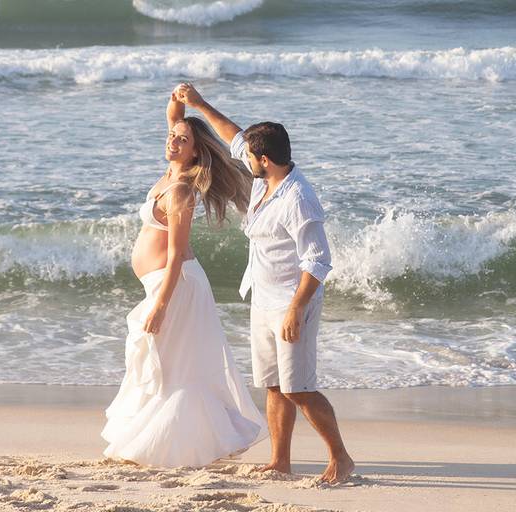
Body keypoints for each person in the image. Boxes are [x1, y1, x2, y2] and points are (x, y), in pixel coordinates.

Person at [173, 82, 355, 483]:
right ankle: (280, 460)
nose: (245, 160)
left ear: (266, 159)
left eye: (252, 157)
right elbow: (234, 136)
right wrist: (199, 105)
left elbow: (319, 261)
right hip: (263, 296)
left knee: (299, 389)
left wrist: (296, 309)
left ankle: (341, 457)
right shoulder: (264, 179)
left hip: (293, 303)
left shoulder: (298, 199)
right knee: (273, 386)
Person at [101, 88, 268, 468]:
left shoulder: (180, 191)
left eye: (182, 140)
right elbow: (174, 115)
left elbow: (177, 254)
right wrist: (182, 97)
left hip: (177, 287)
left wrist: (160, 306)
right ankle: (177, 441)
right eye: (171, 137)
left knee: (177, 370)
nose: (173, 142)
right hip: (162, 284)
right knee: (165, 365)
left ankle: (183, 446)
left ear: (195, 151)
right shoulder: (168, 173)